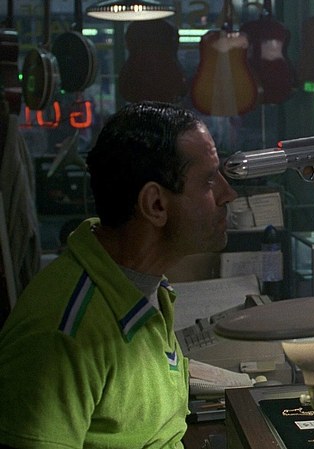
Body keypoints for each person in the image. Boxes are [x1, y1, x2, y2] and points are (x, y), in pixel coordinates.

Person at [0, 101, 237, 448]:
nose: (228, 194)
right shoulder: (61, 335)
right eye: (209, 181)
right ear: (156, 205)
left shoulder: (146, 287)